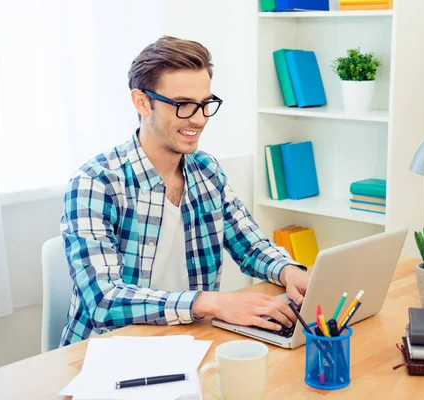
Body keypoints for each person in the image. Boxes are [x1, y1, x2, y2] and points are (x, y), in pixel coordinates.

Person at [59, 35, 310, 346]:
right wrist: (212, 303)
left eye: (205, 104)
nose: (199, 118)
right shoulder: (96, 183)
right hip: (108, 351)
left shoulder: (206, 170)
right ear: (141, 101)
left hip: (189, 341)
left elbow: (250, 245)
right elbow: (103, 299)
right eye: (183, 105)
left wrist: (288, 270)